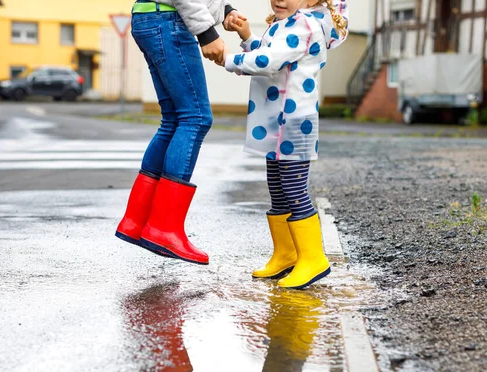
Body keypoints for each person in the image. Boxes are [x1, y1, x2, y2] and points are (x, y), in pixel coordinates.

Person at [223, 0, 349, 289]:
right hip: (275, 119)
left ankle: (314, 258)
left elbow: (270, 61)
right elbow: (267, 54)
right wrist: (246, 36)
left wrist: (229, 60)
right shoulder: (283, 24)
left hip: (294, 120)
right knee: (278, 188)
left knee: (293, 189)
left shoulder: (305, 24)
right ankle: (286, 253)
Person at [115, 0, 244, 265]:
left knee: (174, 118)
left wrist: (225, 11)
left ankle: (137, 220)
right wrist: (207, 32)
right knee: (195, 117)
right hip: (168, 20)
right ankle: (164, 229)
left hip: (152, 17)